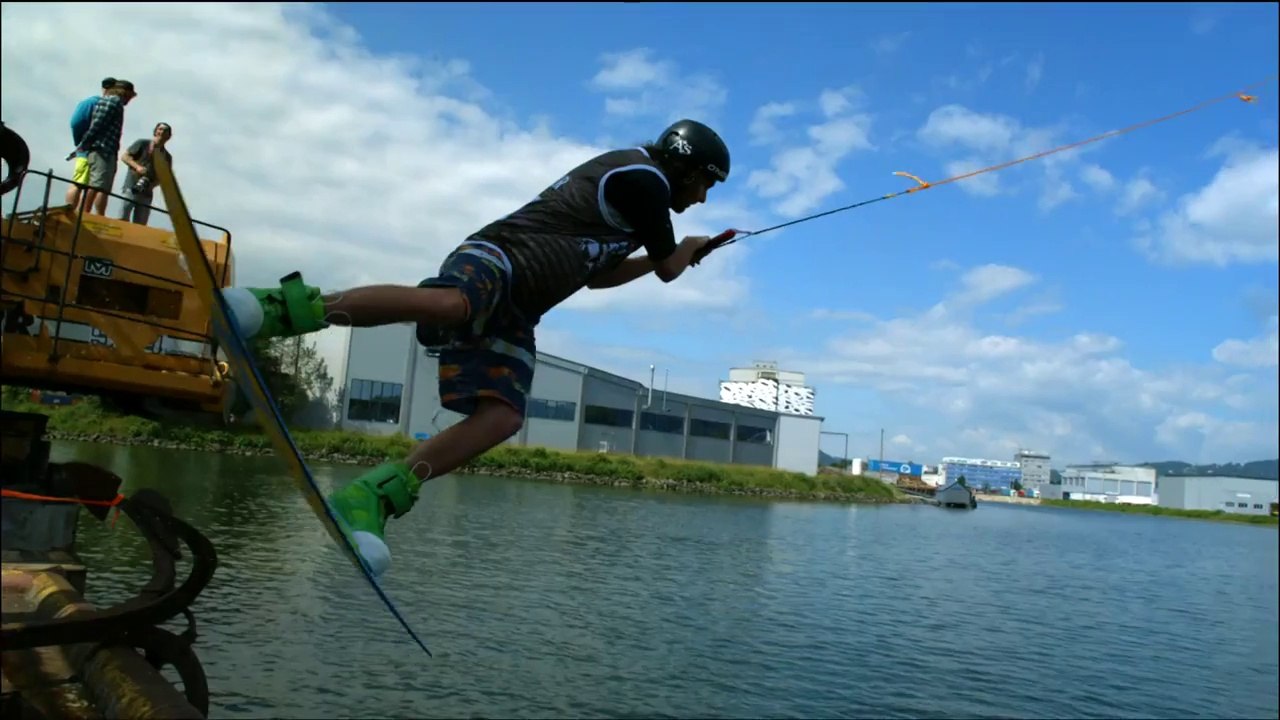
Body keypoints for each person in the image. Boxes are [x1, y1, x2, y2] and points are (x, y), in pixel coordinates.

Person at [221, 119, 731, 576]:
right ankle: (280, 310)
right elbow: (669, 267)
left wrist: (672, 255)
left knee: (504, 416)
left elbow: (602, 278)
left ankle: (374, 497)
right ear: (686, 168)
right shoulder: (646, 180)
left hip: (518, 308)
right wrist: (687, 250)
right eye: (706, 182)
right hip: (500, 258)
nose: (704, 197)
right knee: (454, 305)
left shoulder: (641, 205)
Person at [66, 79, 136, 216]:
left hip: (105, 150)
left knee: (101, 185)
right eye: (130, 95)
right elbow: (97, 124)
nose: (130, 99)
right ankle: (83, 213)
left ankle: (87, 213)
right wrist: (83, 144)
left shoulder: (114, 102)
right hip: (102, 149)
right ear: (124, 92)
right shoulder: (113, 101)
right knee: (96, 185)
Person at [65, 77, 116, 208]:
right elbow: (76, 123)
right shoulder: (92, 103)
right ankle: (70, 212)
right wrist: (81, 142)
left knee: (95, 187)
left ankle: (86, 216)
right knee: (79, 183)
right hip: (87, 151)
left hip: (101, 153)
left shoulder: (112, 105)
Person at [118, 122, 173, 225]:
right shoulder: (142, 143)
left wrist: (151, 185)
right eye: (160, 129)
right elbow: (125, 157)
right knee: (122, 219)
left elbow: (165, 178)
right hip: (131, 187)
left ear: (169, 136)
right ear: (155, 131)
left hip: (146, 194)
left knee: (140, 226)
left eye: (165, 131)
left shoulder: (167, 157)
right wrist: (137, 167)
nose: (162, 132)